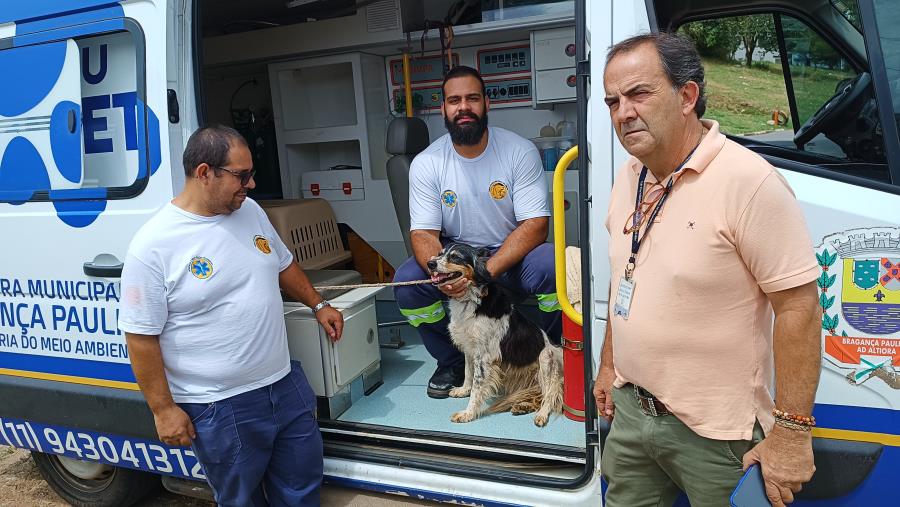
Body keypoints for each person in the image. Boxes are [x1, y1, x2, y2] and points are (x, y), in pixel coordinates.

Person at [593, 32, 821, 507]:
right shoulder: (630, 175)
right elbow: (625, 277)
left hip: (719, 433)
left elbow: (799, 308)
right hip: (632, 413)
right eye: (613, 101)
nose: (623, 113)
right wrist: (609, 365)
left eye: (638, 94)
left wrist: (792, 434)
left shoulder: (749, 182)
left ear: (687, 96)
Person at [119, 125, 344, 506]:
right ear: (205, 173)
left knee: (303, 489)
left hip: (283, 384)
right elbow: (141, 337)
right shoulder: (153, 245)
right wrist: (163, 410)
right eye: (242, 175)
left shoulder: (250, 211)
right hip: (221, 406)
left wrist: (318, 304)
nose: (251, 184)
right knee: (241, 500)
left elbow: (283, 264)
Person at [393, 65, 562, 399]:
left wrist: (482, 273)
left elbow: (535, 225)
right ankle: (453, 362)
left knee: (551, 265)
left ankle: (555, 355)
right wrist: (444, 276)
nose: (463, 107)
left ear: (486, 103)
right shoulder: (427, 163)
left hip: (509, 257)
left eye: (472, 98)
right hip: (456, 257)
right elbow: (424, 234)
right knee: (407, 284)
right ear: (443, 108)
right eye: (454, 100)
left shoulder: (518, 151)